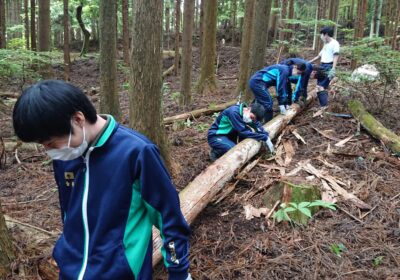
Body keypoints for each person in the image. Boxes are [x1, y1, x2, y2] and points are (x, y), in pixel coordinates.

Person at [12, 80, 191, 280]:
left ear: (78, 119)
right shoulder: (66, 155)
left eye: (50, 143)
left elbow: (169, 218)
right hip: (70, 271)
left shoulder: (136, 153)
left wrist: (179, 273)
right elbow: (68, 213)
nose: (49, 151)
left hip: (120, 273)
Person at [207, 102, 275, 161]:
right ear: (249, 109)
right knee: (233, 151)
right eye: (252, 117)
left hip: (229, 134)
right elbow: (243, 132)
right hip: (216, 136)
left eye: (253, 119)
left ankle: (227, 144)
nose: (251, 119)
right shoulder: (234, 112)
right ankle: (216, 151)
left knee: (247, 133)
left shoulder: (247, 113)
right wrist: (263, 137)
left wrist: (266, 135)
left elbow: (257, 125)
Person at [309, 26, 340, 107]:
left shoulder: (335, 43)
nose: (321, 36)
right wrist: (308, 62)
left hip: (328, 66)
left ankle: (324, 107)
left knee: (321, 86)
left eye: (322, 34)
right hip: (322, 66)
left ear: (326, 34)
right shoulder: (326, 44)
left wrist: (333, 68)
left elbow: (336, 56)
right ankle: (323, 105)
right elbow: (319, 56)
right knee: (319, 86)